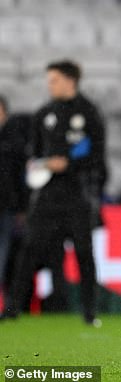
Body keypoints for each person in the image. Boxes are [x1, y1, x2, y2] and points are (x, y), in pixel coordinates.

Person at [1, 61, 106, 325]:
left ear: (71, 81)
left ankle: (90, 312)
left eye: (55, 80)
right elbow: (33, 153)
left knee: (84, 252)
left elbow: (97, 157)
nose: (51, 85)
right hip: (47, 195)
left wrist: (69, 164)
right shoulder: (43, 114)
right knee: (30, 250)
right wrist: (37, 164)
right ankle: (12, 308)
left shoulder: (89, 114)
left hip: (78, 194)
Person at [0, 96, 29, 309]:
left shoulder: (14, 140)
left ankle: (10, 304)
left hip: (6, 207)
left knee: (5, 255)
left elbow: (21, 177)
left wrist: (22, 206)